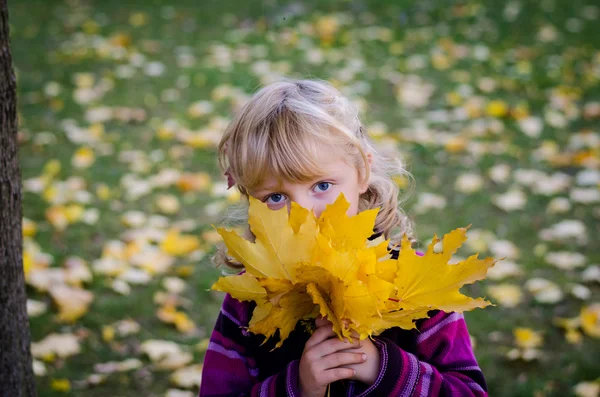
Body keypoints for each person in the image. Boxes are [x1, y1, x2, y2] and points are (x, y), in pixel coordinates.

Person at [200, 79, 487, 396]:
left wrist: (383, 368)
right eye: (275, 198)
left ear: (362, 172)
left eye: (321, 186)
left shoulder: (419, 288)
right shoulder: (249, 300)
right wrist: (297, 388)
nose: (304, 214)